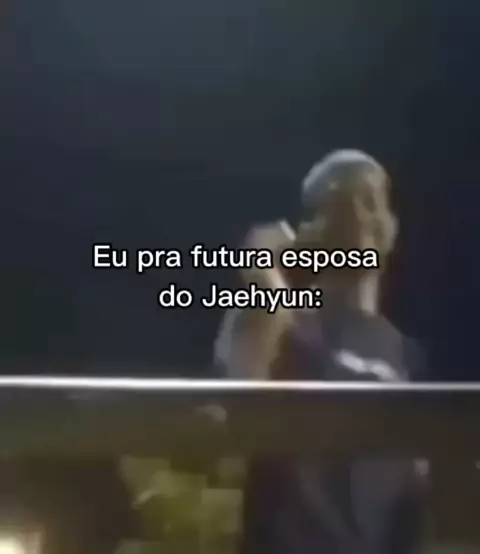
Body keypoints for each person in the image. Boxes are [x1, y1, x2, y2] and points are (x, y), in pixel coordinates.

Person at [214, 150, 425, 554]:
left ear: (391, 227)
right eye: (338, 203)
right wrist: (265, 278)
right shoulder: (277, 323)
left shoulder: (408, 359)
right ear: (308, 232)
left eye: (369, 201)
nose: (357, 216)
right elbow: (232, 409)